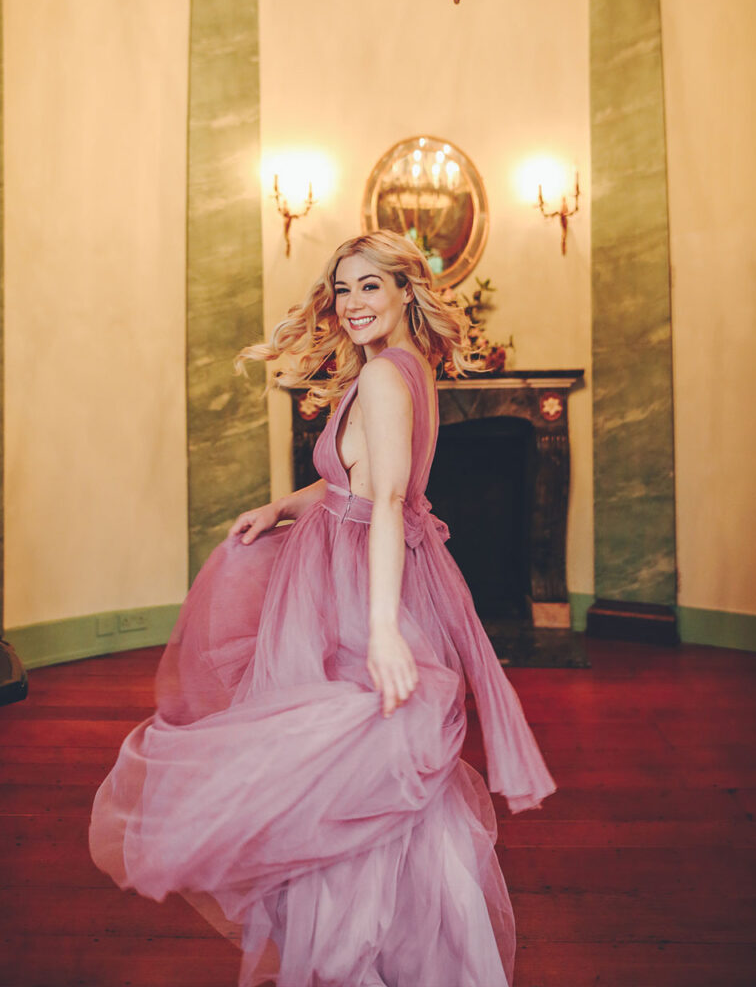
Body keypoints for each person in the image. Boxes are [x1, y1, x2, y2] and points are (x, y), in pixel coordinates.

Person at [89, 230, 556, 987]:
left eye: (371, 285)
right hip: (347, 568)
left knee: (344, 768)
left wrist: (382, 630)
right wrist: (281, 506)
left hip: (356, 584)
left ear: (406, 290)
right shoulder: (403, 366)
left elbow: (388, 500)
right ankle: (395, 958)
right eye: (343, 288)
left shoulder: (384, 378)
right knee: (366, 767)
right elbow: (353, 480)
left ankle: (365, 959)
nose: (352, 303)